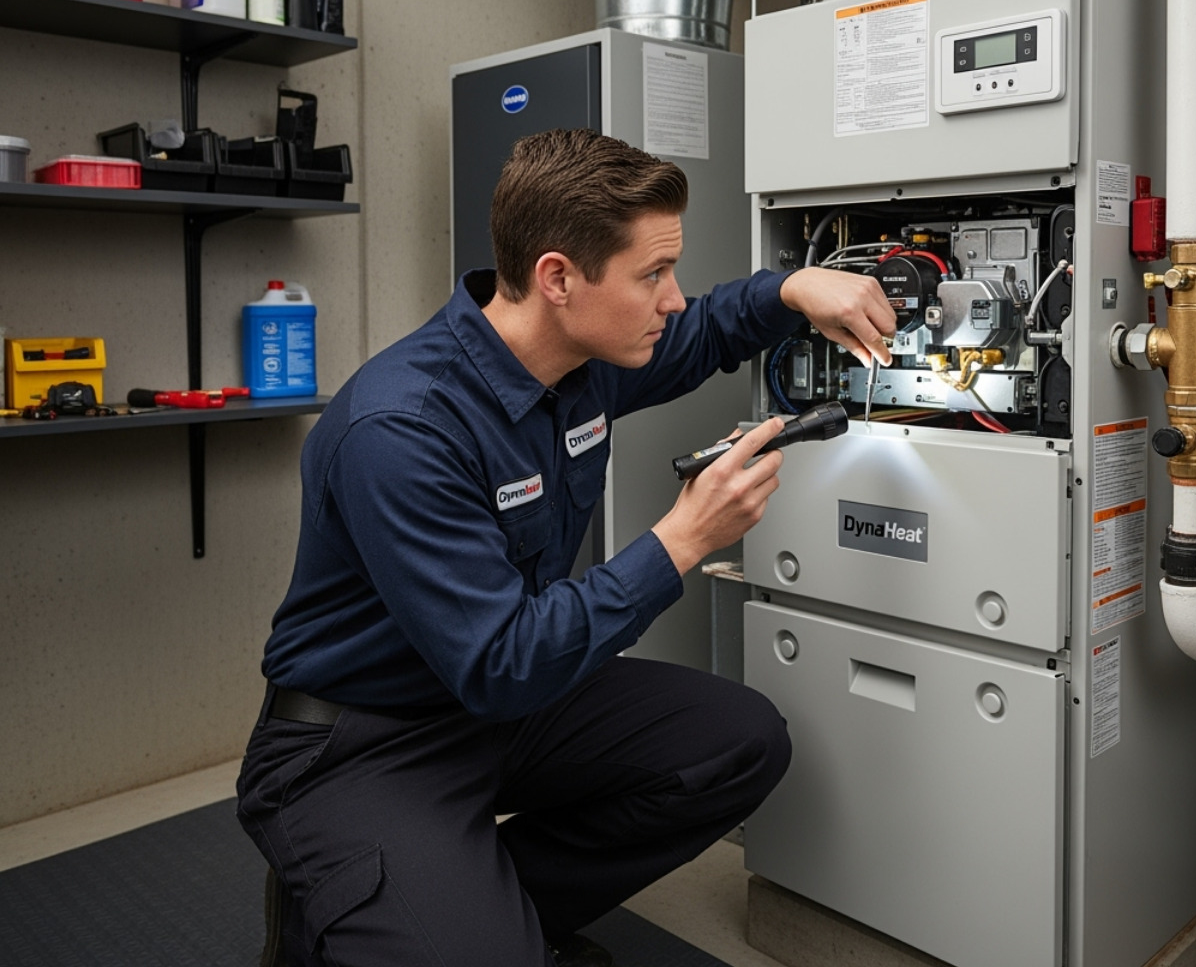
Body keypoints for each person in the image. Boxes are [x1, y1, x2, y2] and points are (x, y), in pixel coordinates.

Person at [235, 127, 895, 967]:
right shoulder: (401, 428)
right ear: (557, 277)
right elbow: (504, 661)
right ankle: (361, 904)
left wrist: (797, 286)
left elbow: (707, 332)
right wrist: (683, 538)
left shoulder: (581, 358)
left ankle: (477, 902)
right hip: (363, 743)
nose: (673, 298)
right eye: (652, 274)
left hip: (501, 710)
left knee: (740, 742)